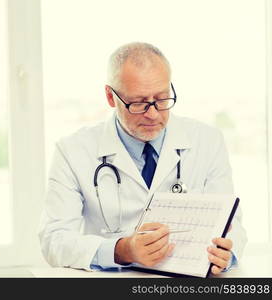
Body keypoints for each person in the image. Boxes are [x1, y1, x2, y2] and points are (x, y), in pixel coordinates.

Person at [39, 42, 247, 275]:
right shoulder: (73, 150)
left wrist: (227, 254)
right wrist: (121, 250)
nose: (152, 114)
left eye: (161, 99)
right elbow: (53, 240)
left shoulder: (207, 140)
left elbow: (232, 224)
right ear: (110, 96)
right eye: (138, 103)